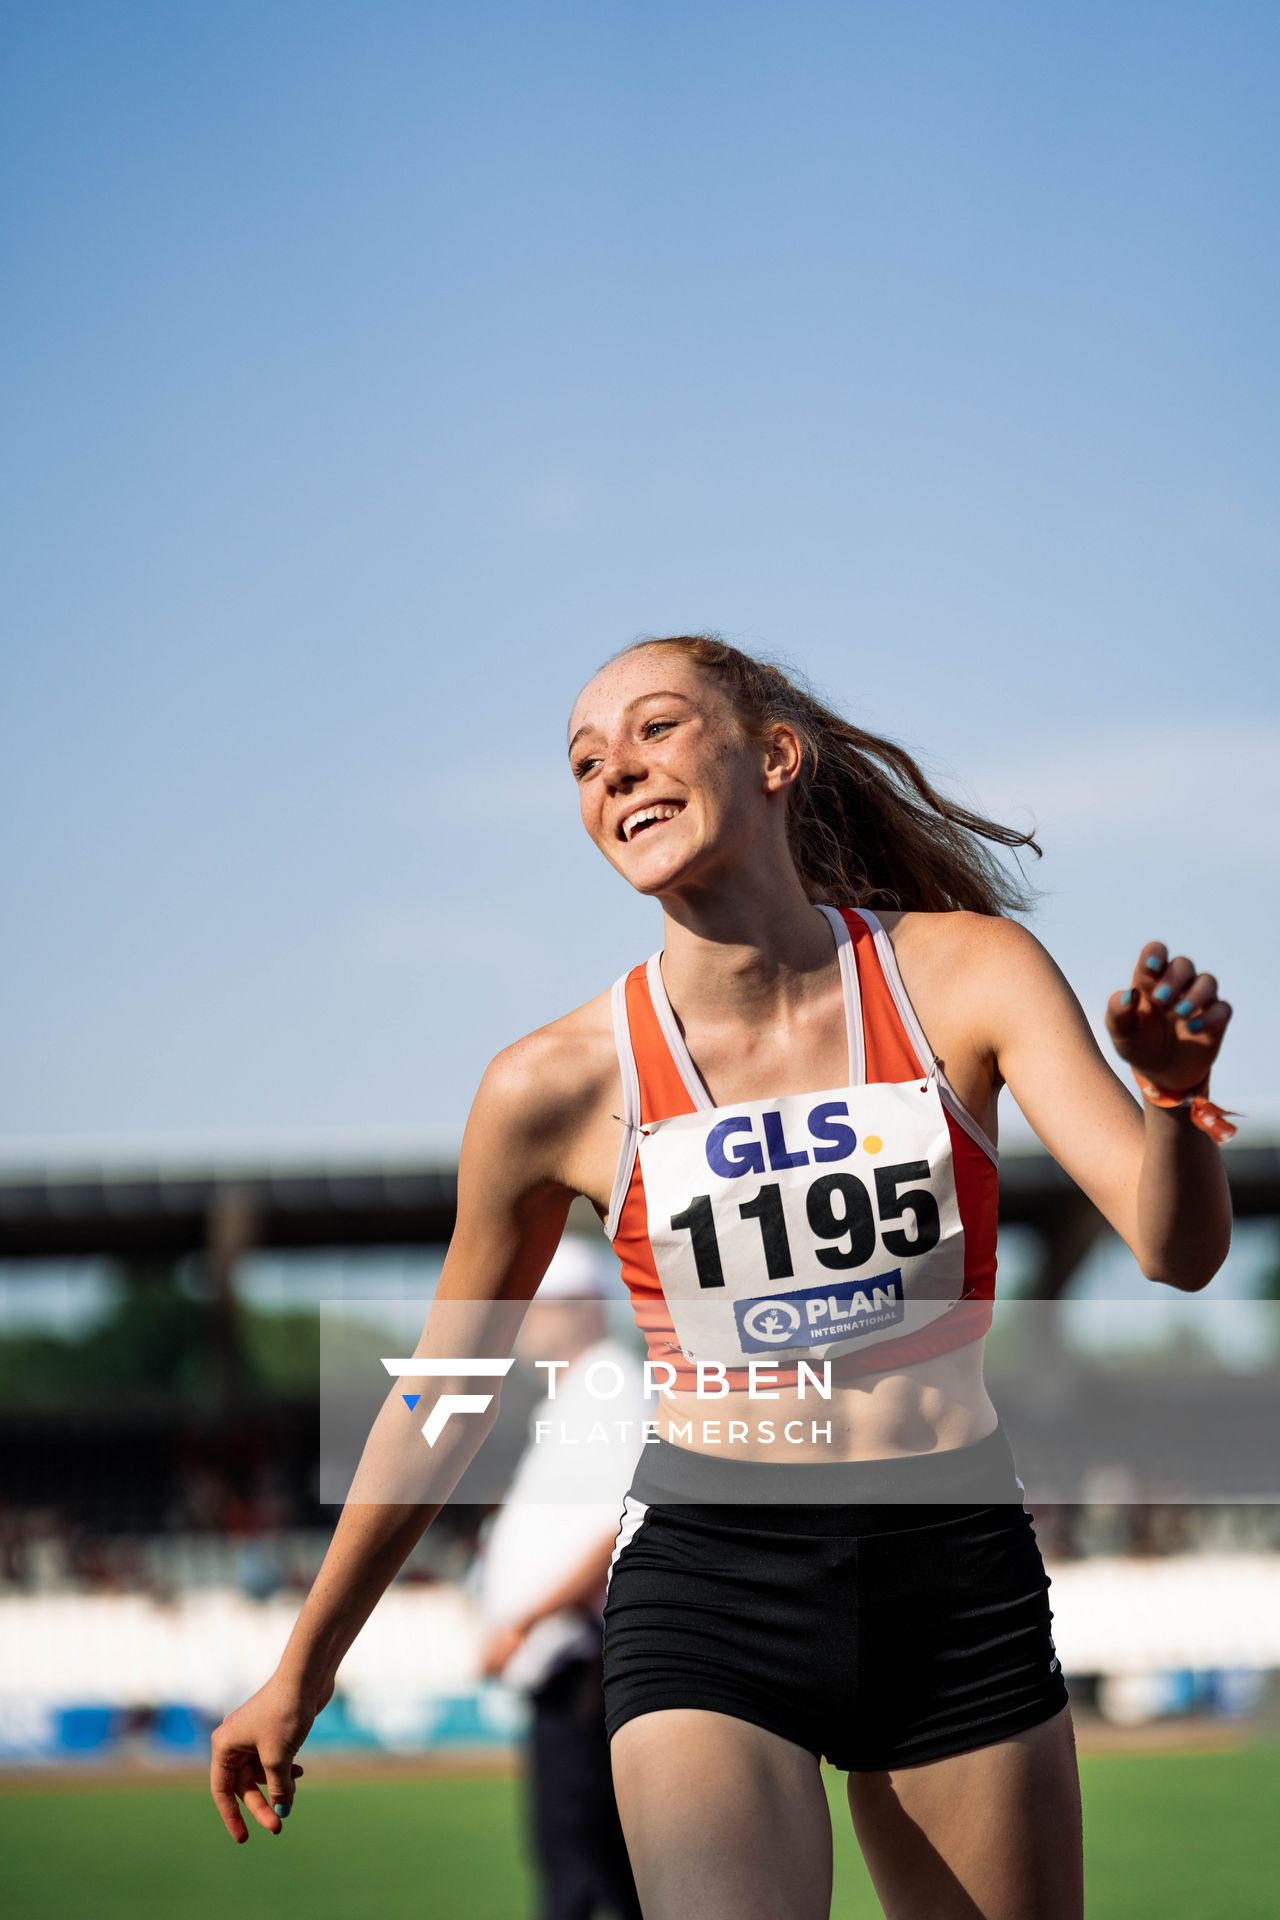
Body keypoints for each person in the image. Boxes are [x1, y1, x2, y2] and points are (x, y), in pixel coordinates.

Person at [210, 633, 1236, 1920]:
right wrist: (301, 1667)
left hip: (951, 1579)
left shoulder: (965, 973)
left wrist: (1172, 1101)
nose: (613, 774)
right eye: (584, 762)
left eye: (652, 731)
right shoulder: (552, 1086)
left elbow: (1173, 1249)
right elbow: (448, 1389)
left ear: (773, 756)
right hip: (709, 1588)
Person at [471, 1235, 647, 1920]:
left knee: (580, 1868)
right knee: (598, 1868)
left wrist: (523, 1620)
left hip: (584, 1665)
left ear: (581, 1308)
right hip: (570, 1665)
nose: (523, 1327)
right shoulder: (579, 1396)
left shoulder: (610, 1392)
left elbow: (618, 1527)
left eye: (535, 1310)